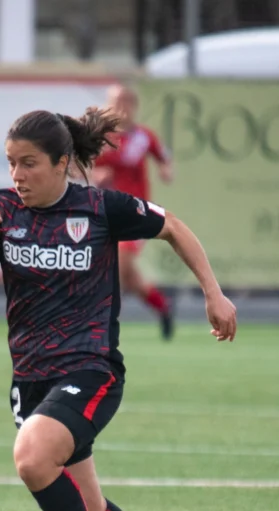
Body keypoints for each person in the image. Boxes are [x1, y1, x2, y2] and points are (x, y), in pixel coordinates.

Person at [0, 107, 236, 511]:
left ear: (62, 163)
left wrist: (213, 294)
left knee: (31, 457)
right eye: (11, 163)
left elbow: (172, 227)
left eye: (29, 163)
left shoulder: (101, 207)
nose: (17, 174)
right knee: (90, 508)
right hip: (30, 379)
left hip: (92, 368)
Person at [92, 84, 176, 340]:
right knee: (129, 277)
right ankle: (163, 307)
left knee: (117, 262)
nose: (121, 108)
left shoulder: (143, 137)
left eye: (126, 102)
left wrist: (166, 169)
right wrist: (96, 174)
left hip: (135, 213)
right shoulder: (99, 138)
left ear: (134, 106)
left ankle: (102, 324)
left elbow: (164, 158)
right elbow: (81, 169)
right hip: (104, 213)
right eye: (116, 102)